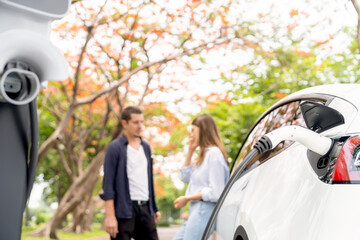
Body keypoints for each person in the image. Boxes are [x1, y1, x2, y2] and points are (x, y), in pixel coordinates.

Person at [100, 106, 161, 240]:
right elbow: (108, 185)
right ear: (124, 123)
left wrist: (154, 207)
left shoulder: (146, 147)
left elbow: (148, 180)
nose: (140, 126)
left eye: (142, 122)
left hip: (145, 208)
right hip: (123, 210)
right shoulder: (114, 148)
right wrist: (110, 217)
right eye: (135, 122)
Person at [173, 114, 230, 240]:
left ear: (203, 131)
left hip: (204, 209)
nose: (191, 135)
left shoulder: (214, 154)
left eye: (193, 130)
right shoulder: (203, 156)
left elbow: (216, 192)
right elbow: (185, 177)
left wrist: (187, 198)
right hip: (196, 209)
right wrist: (190, 150)